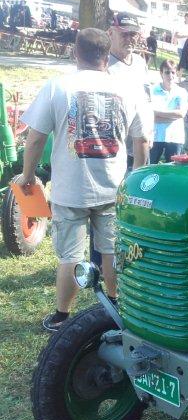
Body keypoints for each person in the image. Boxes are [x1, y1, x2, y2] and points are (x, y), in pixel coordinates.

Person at [15, 28, 149, 332]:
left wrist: (27, 175)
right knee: (113, 250)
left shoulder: (57, 86)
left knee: (70, 256)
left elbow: (35, 139)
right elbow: (142, 141)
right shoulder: (128, 89)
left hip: (70, 191)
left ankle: (63, 315)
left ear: (77, 53)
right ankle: (114, 305)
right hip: (114, 188)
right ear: (106, 54)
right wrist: (136, 178)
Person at [107, 12, 152, 170]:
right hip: (112, 146)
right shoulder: (102, 63)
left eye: (133, 34)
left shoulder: (140, 63)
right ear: (111, 33)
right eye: (124, 34)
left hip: (140, 144)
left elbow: (147, 99)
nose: (129, 38)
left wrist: (150, 128)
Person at [150, 59, 188, 163]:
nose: (170, 76)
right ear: (161, 73)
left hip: (175, 137)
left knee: (172, 172)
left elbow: (181, 114)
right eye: (167, 72)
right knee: (150, 170)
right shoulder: (152, 91)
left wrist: (157, 113)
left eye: (173, 72)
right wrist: (172, 116)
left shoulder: (182, 92)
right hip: (155, 136)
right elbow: (150, 115)